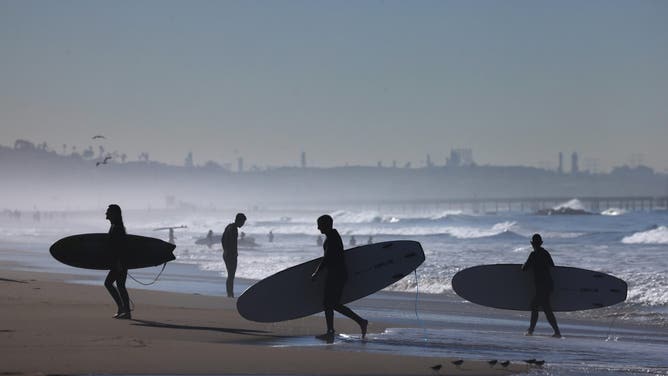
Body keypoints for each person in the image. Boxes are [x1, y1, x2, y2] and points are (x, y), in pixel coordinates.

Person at [311, 215, 368, 342]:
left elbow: (327, 259)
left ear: (326, 224)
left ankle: (332, 331)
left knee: (329, 304)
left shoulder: (332, 238)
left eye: (320, 224)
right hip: (336, 274)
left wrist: (316, 273)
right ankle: (359, 322)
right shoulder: (332, 236)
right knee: (332, 304)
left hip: (336, 275)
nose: (318, 227)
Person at [522, 233, 561, 338]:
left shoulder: (533, 255)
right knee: (544, 307)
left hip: (541, 286)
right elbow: (552, 266)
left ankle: (532, 331)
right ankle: (555, 332)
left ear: (532, 243)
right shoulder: (545, 253)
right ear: (541, 243)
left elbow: (524, 269)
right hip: (548, 284)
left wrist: (525, 264)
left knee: (537, 306)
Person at [104, 204, 131, 319]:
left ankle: (124, 309)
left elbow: (119, 247)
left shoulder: (117, 228)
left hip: (119, 262)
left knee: (112, 284)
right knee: (119, 285)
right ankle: (124, 310)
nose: (106, 213)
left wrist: (118, 262)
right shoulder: (116, 226)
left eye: (108, 211)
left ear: (114, 214)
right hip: (119, 261)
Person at [222, 213, 246, 298]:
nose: (243, 224)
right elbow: (233, 244)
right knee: (231, 275)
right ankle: (230, 294)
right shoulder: (234, 229)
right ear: (239, 220)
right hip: (230, 255)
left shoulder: (228, 226)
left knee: (230, 275)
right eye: (243, 222)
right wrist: (233, 253)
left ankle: (230, 293)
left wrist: (225, 250)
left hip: (226, 254)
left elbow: (223, 239)